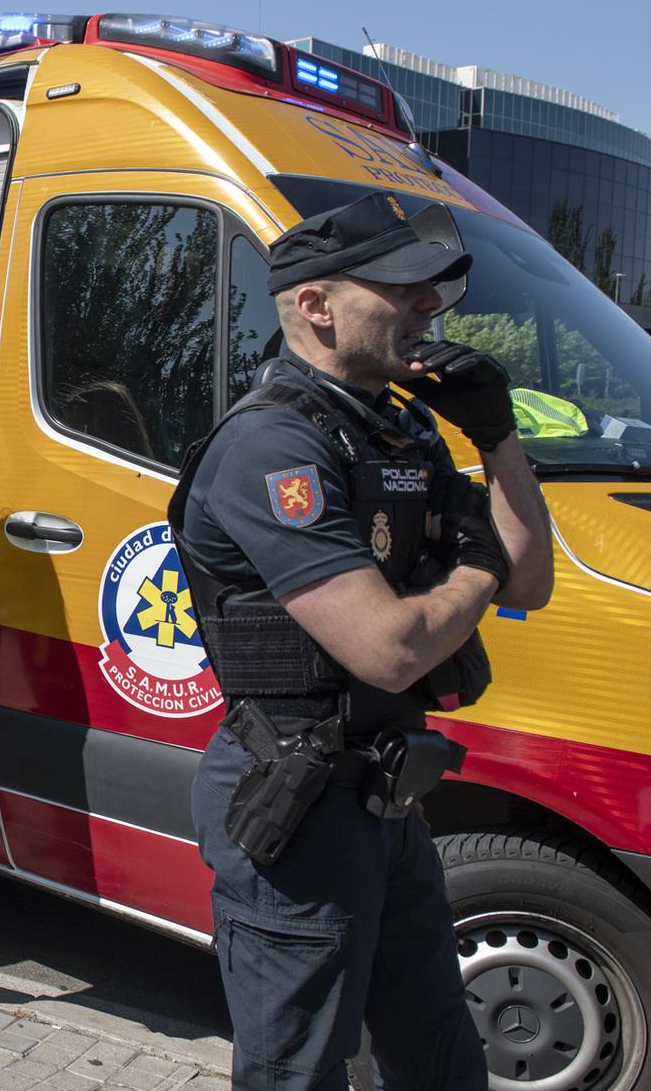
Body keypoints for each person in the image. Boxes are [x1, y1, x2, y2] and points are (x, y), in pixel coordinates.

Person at [170, 191, 553, 1088]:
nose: (431, 307)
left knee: (440, 1058)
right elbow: (389, 648)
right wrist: (477, 570)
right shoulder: (273, 444)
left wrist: (497, 440)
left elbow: (531, 578)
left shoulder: (404, 427)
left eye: (432, 291)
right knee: (299, 1070)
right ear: (316, 306)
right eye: (404, 289)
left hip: (386, 795)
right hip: (297, 802)